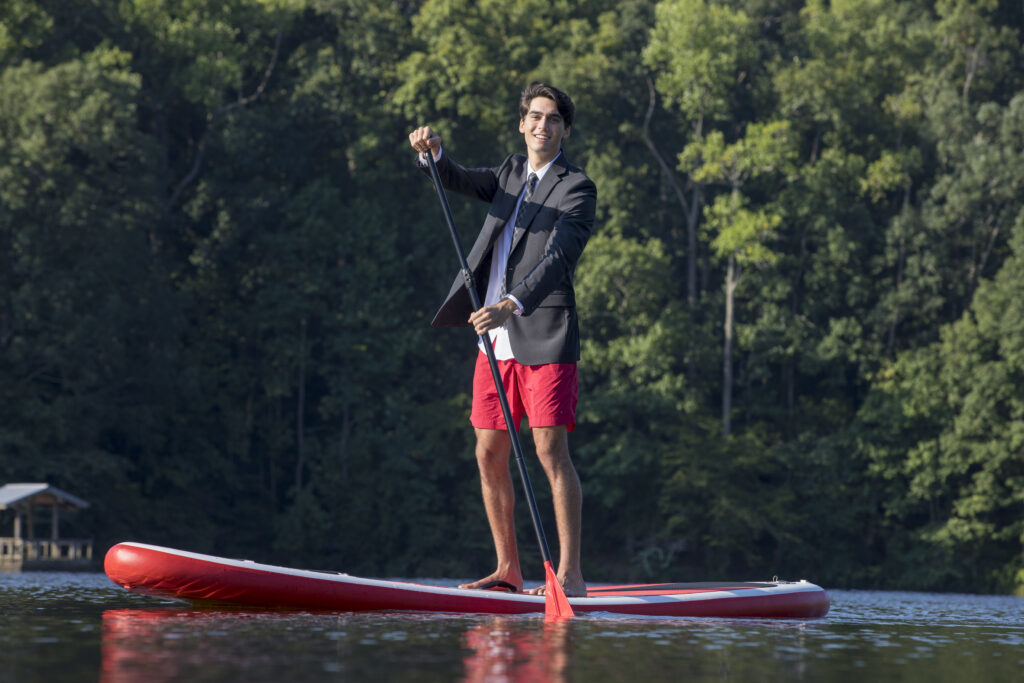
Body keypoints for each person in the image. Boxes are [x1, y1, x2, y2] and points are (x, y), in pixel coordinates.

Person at [409, 82, 596, 597]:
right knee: (487, 452)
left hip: (543, 334)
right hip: (493, 343)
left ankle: (571, 576)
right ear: (522, 123)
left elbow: (559, 257)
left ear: (564, 129)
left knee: (549, 451)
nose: (543, 125)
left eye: (554, 119)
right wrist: (435, 152)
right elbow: (459, 180)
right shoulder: (512, 172)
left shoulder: (577, 188)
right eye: (535, 116)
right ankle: (507, 570)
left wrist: (511, 303)